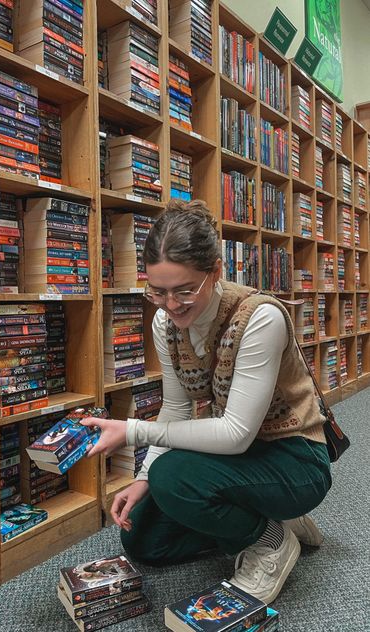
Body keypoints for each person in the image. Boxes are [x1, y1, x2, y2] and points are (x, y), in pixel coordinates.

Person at [81, 199, 332, 605]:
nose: (171, 304)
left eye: (184, 290)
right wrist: (143, 476)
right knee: (145, 543)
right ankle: (262, 514)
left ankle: (272, 541)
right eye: (158, 291)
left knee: (173, 477)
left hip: (295, 457)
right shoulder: (166, 321)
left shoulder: (260, 317)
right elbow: (177, 408)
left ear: (215, 271)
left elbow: (234, 433)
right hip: (236, 461)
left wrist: (131, 432)